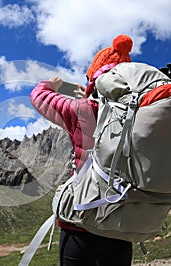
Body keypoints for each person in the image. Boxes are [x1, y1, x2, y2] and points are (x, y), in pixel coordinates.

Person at [30, 34, 134, 266]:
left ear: (95, 78)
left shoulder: (81, 110)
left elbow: (39, 98)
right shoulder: (139, 113)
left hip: (81, 222)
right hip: (122, 226)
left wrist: (52, 85)